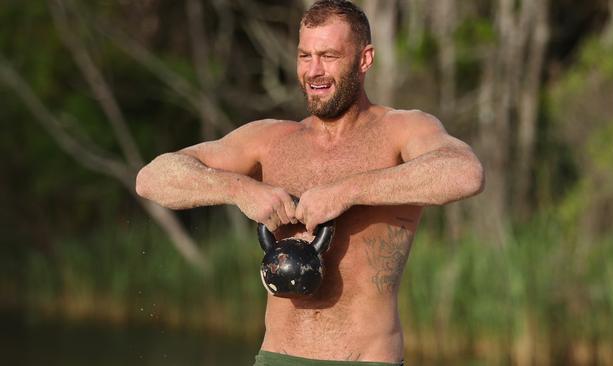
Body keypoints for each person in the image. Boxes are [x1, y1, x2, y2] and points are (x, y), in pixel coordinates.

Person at [136, 0, 484, 364]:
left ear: (364, 59)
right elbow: (153, 178)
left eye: (329, 56)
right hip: (277, 359)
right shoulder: (269, 139)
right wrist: (239, 189)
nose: (314, 71)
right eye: (306, 56)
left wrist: (348, 191)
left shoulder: (403, 129)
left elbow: (465, 172)